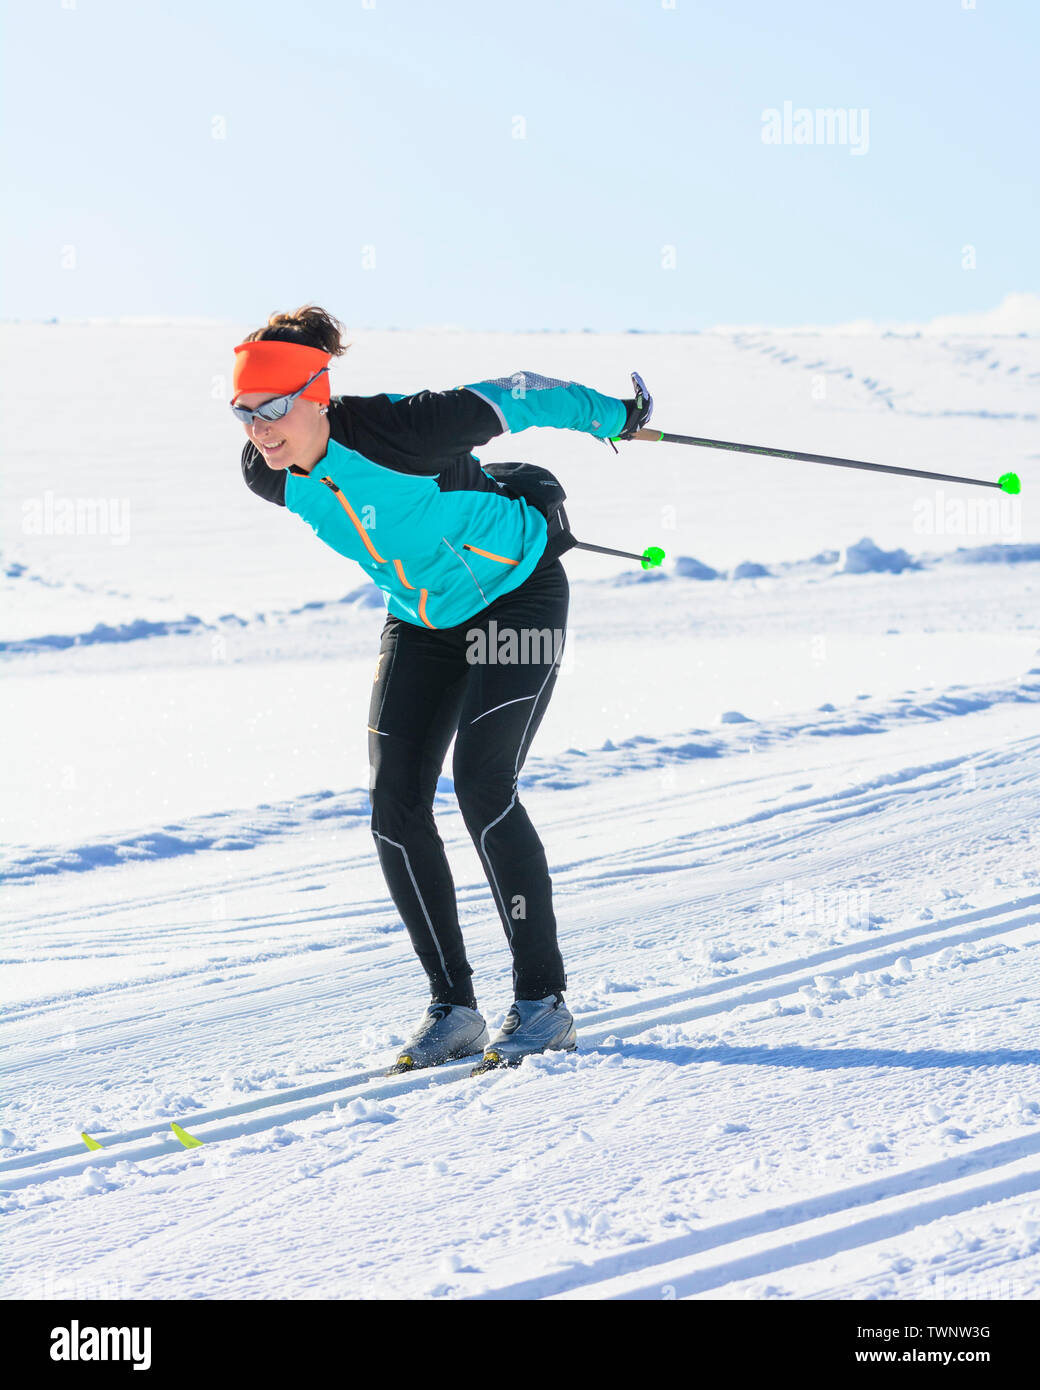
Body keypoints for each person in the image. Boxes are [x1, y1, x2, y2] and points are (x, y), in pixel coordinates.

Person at [232, 304, 652, 1073]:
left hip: (515, 592)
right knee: (394, 802)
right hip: (423, 619)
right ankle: (454, 1009)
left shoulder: (404, 429)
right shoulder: (268, 475)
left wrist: (617, 417)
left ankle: (542, 1003)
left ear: (317, 393)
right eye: (245, 413)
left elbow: (519, 393)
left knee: (483, 783)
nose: (259, 429)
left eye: (274, 408)